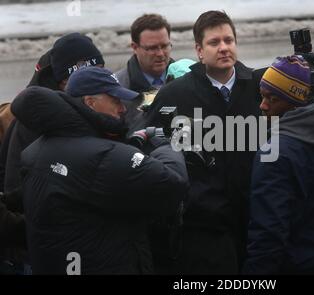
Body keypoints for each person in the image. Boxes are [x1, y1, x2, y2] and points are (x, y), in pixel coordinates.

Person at [10, 66, 188, 274]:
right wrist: (167, 146)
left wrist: (132, 148)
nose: (122, 108)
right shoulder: (101, 155)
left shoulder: (39, 148)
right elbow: (173, 183)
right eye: (115, 100)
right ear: (90, 102)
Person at [142, 10, 262, 274]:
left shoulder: (257, 87)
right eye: (214, 42)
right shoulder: (176, 95)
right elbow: (153, 148)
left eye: (229, 40)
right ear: (199, 50)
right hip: (202, 227)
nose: (224, 48)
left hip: (253, 220)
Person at [242, 55, 314, 274]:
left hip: (301, 265)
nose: (263, 105)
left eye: (272, 98)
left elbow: (268, 233)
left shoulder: (274, 153)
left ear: (294, 101)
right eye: (262, 96)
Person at [0, 32, 104, 274]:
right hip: (43, 252)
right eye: (88, 74)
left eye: (100, 70)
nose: (97, 80)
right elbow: (19, 189)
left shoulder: (98, 110)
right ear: (64, 81)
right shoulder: (31, 122)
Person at [115, 14, 175, 130]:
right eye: (152, 48)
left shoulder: (187, 79)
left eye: (164, 46)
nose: (160, 54)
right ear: (134, 47)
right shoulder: (118, 88)